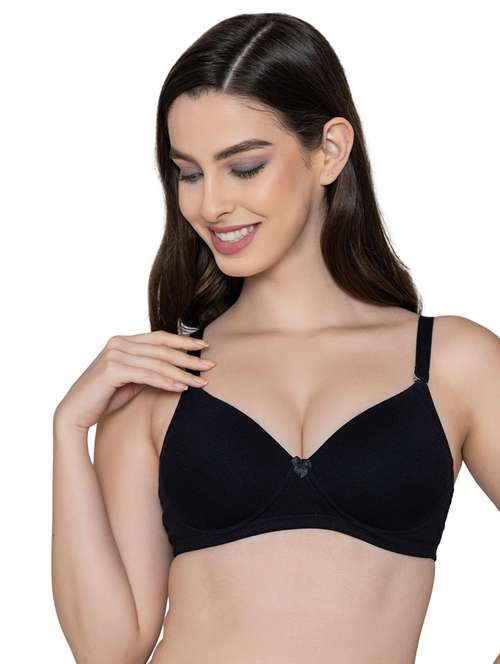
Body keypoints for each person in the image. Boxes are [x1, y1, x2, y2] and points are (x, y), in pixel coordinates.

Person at [51, 12, 500, 664]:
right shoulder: (162, 376)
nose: (210, 205)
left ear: (330, 151)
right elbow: (109, 650)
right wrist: (68, 430)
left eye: (244, 167)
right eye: (189, 173)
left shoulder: (455, 363)